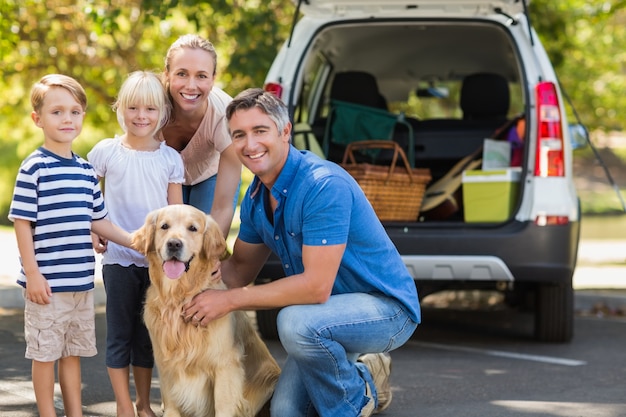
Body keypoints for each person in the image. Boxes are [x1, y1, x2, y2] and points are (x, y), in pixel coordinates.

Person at [182, 88, 421, 417]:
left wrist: (228, 301)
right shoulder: (255, 200)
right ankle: (367, 378)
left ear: (285, 131)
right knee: (285, 411)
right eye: (239, 135)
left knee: (293, 322)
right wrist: (188, 287)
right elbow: (237, 271)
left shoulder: (322, 186)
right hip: (322, 317)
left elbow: (315, 287)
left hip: (384, 310)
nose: (249, 145)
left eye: (260, 131)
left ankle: (348, 404)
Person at [8, 74, 133, 417]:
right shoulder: (34, 168)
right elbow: (21, 223)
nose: (67, 119)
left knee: (72, 353)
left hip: (80, 286)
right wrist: (32, 273)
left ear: (83, 117)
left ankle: (74, 413)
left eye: (75, 112)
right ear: (38, 119)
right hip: (47, 286)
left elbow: (99, 220)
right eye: (57, 112)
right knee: (45, 354)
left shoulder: (85, 171)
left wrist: (136, 240)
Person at [87, 71, 184, 417]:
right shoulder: (105, 152)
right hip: (118, 259)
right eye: (133, 108)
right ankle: (124, 405)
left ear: (162, 113)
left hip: (158, 265)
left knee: (147, 338)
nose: (141, 116)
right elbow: (88, 199)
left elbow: (176, 214)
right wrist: (93, 229)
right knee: (119, 334)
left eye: (150, 109)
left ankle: (144, 404)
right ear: (120, 109)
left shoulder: (169, 159)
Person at [159, 34, 242, 237]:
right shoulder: (148, 108)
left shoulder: (225, 115)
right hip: (163, 175)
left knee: (199, 242)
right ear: (167, 75)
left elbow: (222, 208)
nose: (191, 85)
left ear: (213, 79)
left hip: (209, 175)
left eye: (202, 76)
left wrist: (210, 256)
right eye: (182, 74)